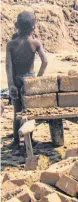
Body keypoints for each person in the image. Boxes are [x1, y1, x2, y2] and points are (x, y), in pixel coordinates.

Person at [6, 11, 48, 149]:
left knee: (17, 112)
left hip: (17, 80)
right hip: (30, 81)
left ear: (16, 25)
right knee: (29, 112)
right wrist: (38, 80)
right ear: (34, 27)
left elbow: (8, 66)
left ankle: (16, 142)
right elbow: (45, 62)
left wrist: (11, 84)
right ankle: (29, 139)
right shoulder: (35, 43)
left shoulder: (11, 44)